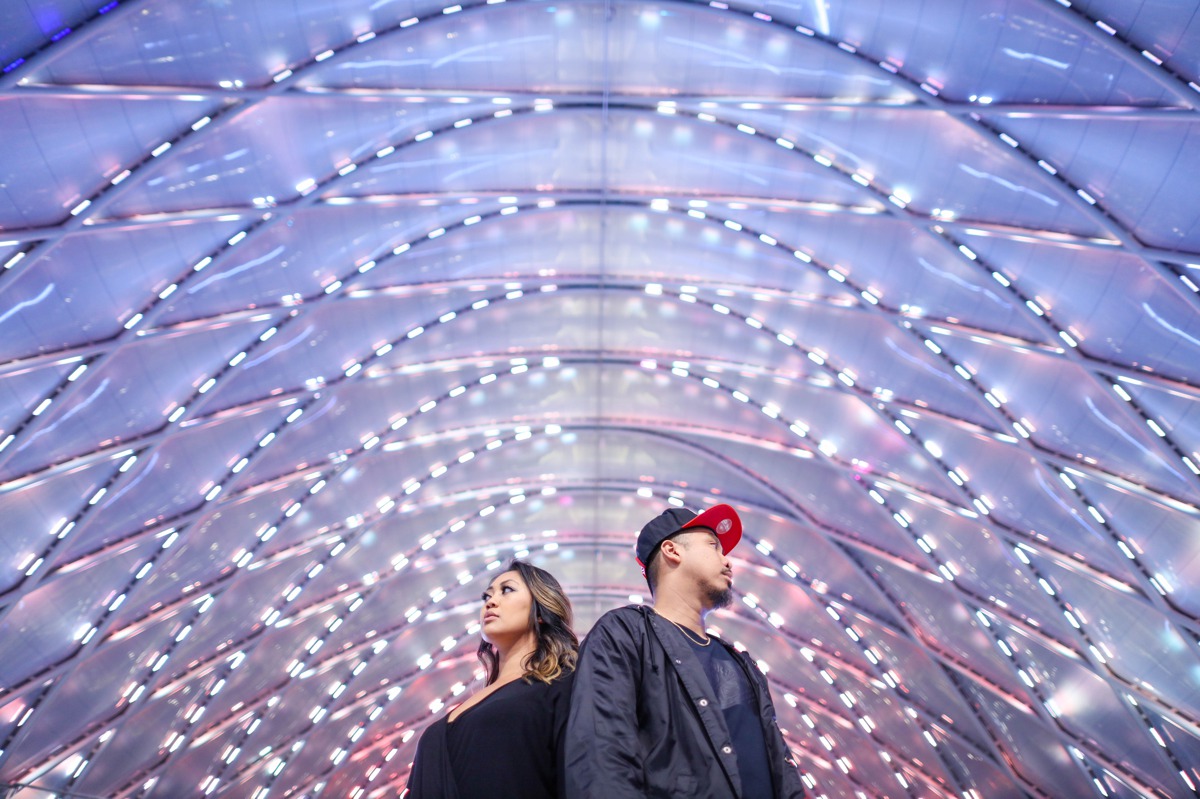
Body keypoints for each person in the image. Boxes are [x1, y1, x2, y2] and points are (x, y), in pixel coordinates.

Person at [565, 504, 805, 798]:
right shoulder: (625, 634)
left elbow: (778, 762)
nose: (727, 561)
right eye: (713, 546)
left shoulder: (740, 663)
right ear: (672, 550)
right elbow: (600, 751)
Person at [406, 559, 578, 798]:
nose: (491, 602)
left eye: (507, 590)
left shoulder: (563, 685)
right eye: (486, 597)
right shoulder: (475, 704)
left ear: (540, 610)